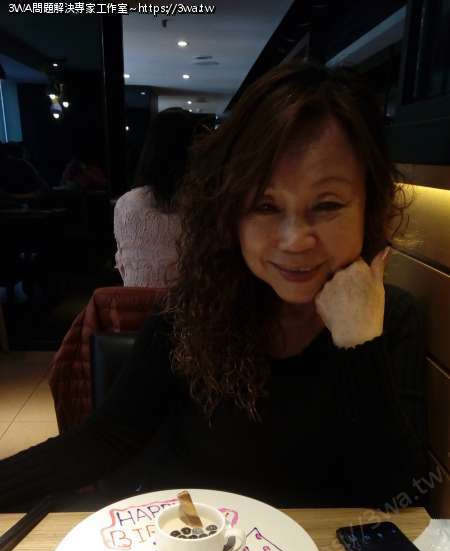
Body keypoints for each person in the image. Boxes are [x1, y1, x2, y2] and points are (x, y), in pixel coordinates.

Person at [0, 61, 427, 512]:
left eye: (327, 204)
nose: (295, 240)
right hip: (189, 546)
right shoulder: (192, 311)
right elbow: (107, 437)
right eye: (265, 205)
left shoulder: (391, 320)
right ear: (231, 215)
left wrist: (359, 344)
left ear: (369, 206)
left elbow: (399, 500)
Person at [113, 108, 199, 288]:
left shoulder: (125, 203)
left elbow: (123, 266)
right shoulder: (202, 202)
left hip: (133, 303)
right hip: (188, 304)